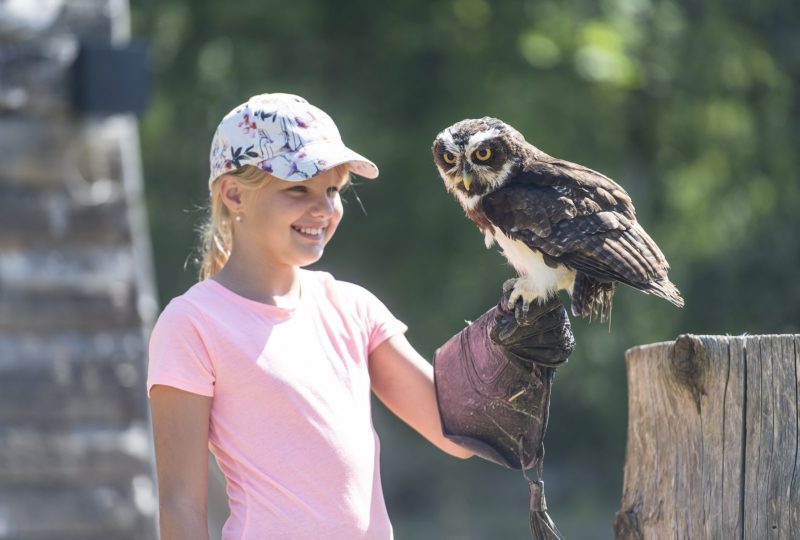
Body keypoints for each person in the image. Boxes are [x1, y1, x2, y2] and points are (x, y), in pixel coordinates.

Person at [147, 93, 573, 540]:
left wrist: (510, 346)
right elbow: (179, 502)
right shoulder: (193, 323)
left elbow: (455, 434)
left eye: (333, 190)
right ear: (234, 194)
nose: (324, 208)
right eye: (298, 188)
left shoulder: (352, 307)